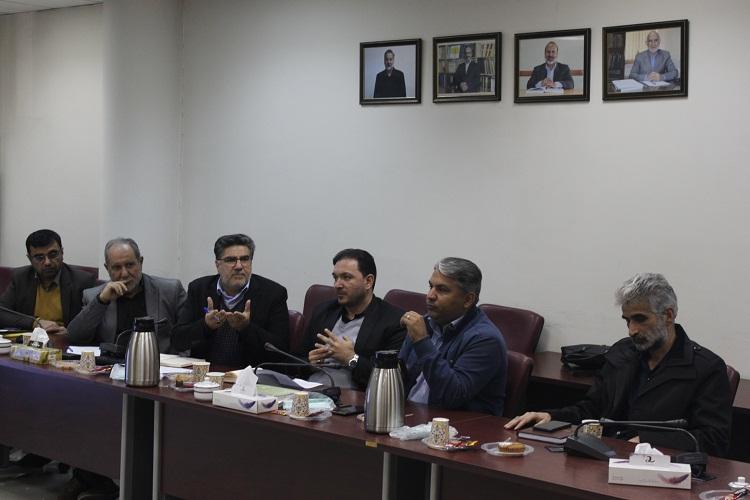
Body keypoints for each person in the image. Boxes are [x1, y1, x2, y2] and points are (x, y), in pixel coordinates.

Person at [505, 273, 731, 457]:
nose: (632, 330)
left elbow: (713, 440)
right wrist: (551, 416)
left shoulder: (706, 368)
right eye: (627, 320)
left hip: (660, 470)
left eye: (640, 319)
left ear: (668, 315)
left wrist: (648, 441)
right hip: (605, 457)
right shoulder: (622, 353)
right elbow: (592, 410)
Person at [399, 257, 507, 415]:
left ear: (467, 300)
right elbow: (399, 379)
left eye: (442, 290)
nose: (430, 295)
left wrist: (422, 341)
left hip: (458, 425)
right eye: (430, 286)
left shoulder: (485, 339)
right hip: (410, 415)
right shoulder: (425, 323)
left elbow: (452, 396)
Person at [172, 234, 289, 369]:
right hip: (206, 374)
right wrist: (205, 325)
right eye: (231, 260)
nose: (239, 266)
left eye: (245, 259)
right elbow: (177, 341)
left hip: (251, 376)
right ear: (218, 265)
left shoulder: (273, 293)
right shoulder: (199, 289)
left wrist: (246, 328)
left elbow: (281, 351)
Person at [300, 249, 405, 390]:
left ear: (368, 281)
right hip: (310, 388)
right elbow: (296, 359)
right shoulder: (323, 311)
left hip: (352, 395)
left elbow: (390, 379)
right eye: (335, 278)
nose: (337, 284)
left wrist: (351, 358)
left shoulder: (393, 321)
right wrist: (309, 362)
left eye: (346, 277)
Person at [67, 238, 187, 352]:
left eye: (130, 265)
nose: (124, 274)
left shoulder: (170, 291)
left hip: (158, 363)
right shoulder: (94, 296)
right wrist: (102, 301)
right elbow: (74, 337)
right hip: (112, 364)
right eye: (116, 267)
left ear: (140, 262)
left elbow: (188, 339)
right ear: (107, 268)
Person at [0, 229, 96, 333]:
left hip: (64, 340)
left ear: (62, 252)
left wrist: (71, 333)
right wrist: (34, 322)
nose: (47, 262)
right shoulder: (21, 278)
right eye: (39, 257)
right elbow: (2, 312)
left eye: (53, 254)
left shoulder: (82, 281)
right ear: (29, 258)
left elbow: (92, 322)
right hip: (31, 340)